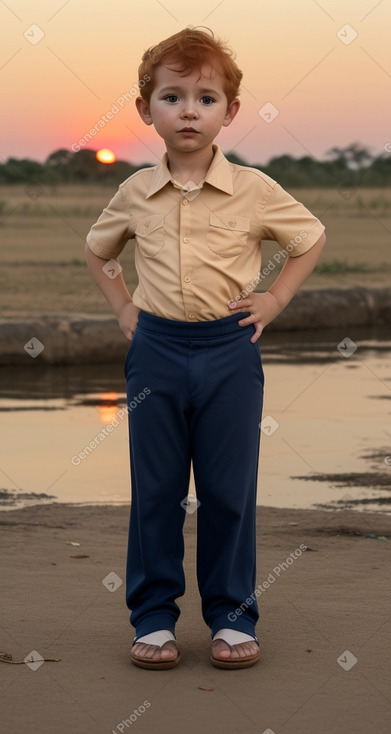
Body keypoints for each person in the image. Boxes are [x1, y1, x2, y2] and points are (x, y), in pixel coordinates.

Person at [85, 26, 326, 671]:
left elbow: (309, 238)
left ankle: (231, 617)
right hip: (157, 351)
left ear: (230, 111)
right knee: (157, 487)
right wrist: (125, 310)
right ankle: (155, 618)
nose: (189, 110)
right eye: (172, 96)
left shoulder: (253, 188)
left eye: (205, 98)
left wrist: (273, 302)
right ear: (146, 110)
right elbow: (99, 251)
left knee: (228, 489)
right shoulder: (135, 189)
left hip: (229, 352)